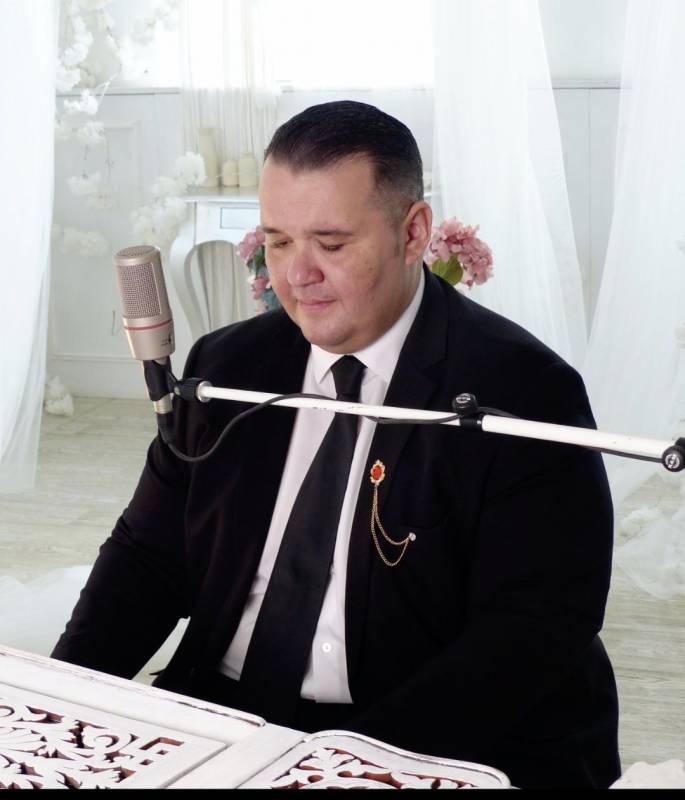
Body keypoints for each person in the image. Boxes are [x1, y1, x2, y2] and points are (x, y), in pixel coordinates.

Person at [52, 100, 620, 789]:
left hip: (424, 733)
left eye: (331, 243)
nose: (297, 275)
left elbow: (533, 628)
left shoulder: (525, 389)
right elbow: (147, 558)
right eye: (278, 241)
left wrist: (341, 771)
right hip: (231, 708)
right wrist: (60, 702)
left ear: (413, 234)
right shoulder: (228, 365)